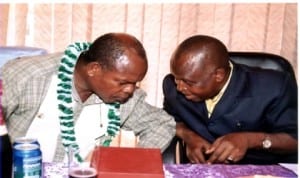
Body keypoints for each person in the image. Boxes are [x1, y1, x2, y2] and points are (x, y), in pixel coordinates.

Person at [1, 33, 175, 162]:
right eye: (123, 82)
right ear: (93, 69)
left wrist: (131, 162)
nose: (130, 90)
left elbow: (160, 123)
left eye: (135, 83)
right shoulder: (28, 77)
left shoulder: (122, 96)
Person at [163, 35, 298, 164]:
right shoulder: (172, 87)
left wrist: (250, 140)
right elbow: (169, 121)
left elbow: (294, 140)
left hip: (263, 169)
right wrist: (190, 137)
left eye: (189, 82)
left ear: (218, 75)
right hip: (204, 169)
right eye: (176, 78)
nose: (180, 87)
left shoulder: (274, 86)